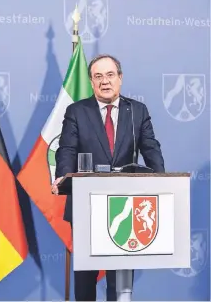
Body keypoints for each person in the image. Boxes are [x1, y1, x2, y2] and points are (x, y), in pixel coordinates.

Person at [51, 54, 165, 301]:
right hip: (86, 204)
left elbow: (151, 148)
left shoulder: (137, 110)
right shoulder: (77, 111)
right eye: (98, 76)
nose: (105, 81)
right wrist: (62, 176)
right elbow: (67, 149)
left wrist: (162, 181)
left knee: (120, 275)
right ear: (92, 82)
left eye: (110, 75)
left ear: (120, 78)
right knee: (85, 277)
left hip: (125, 205)